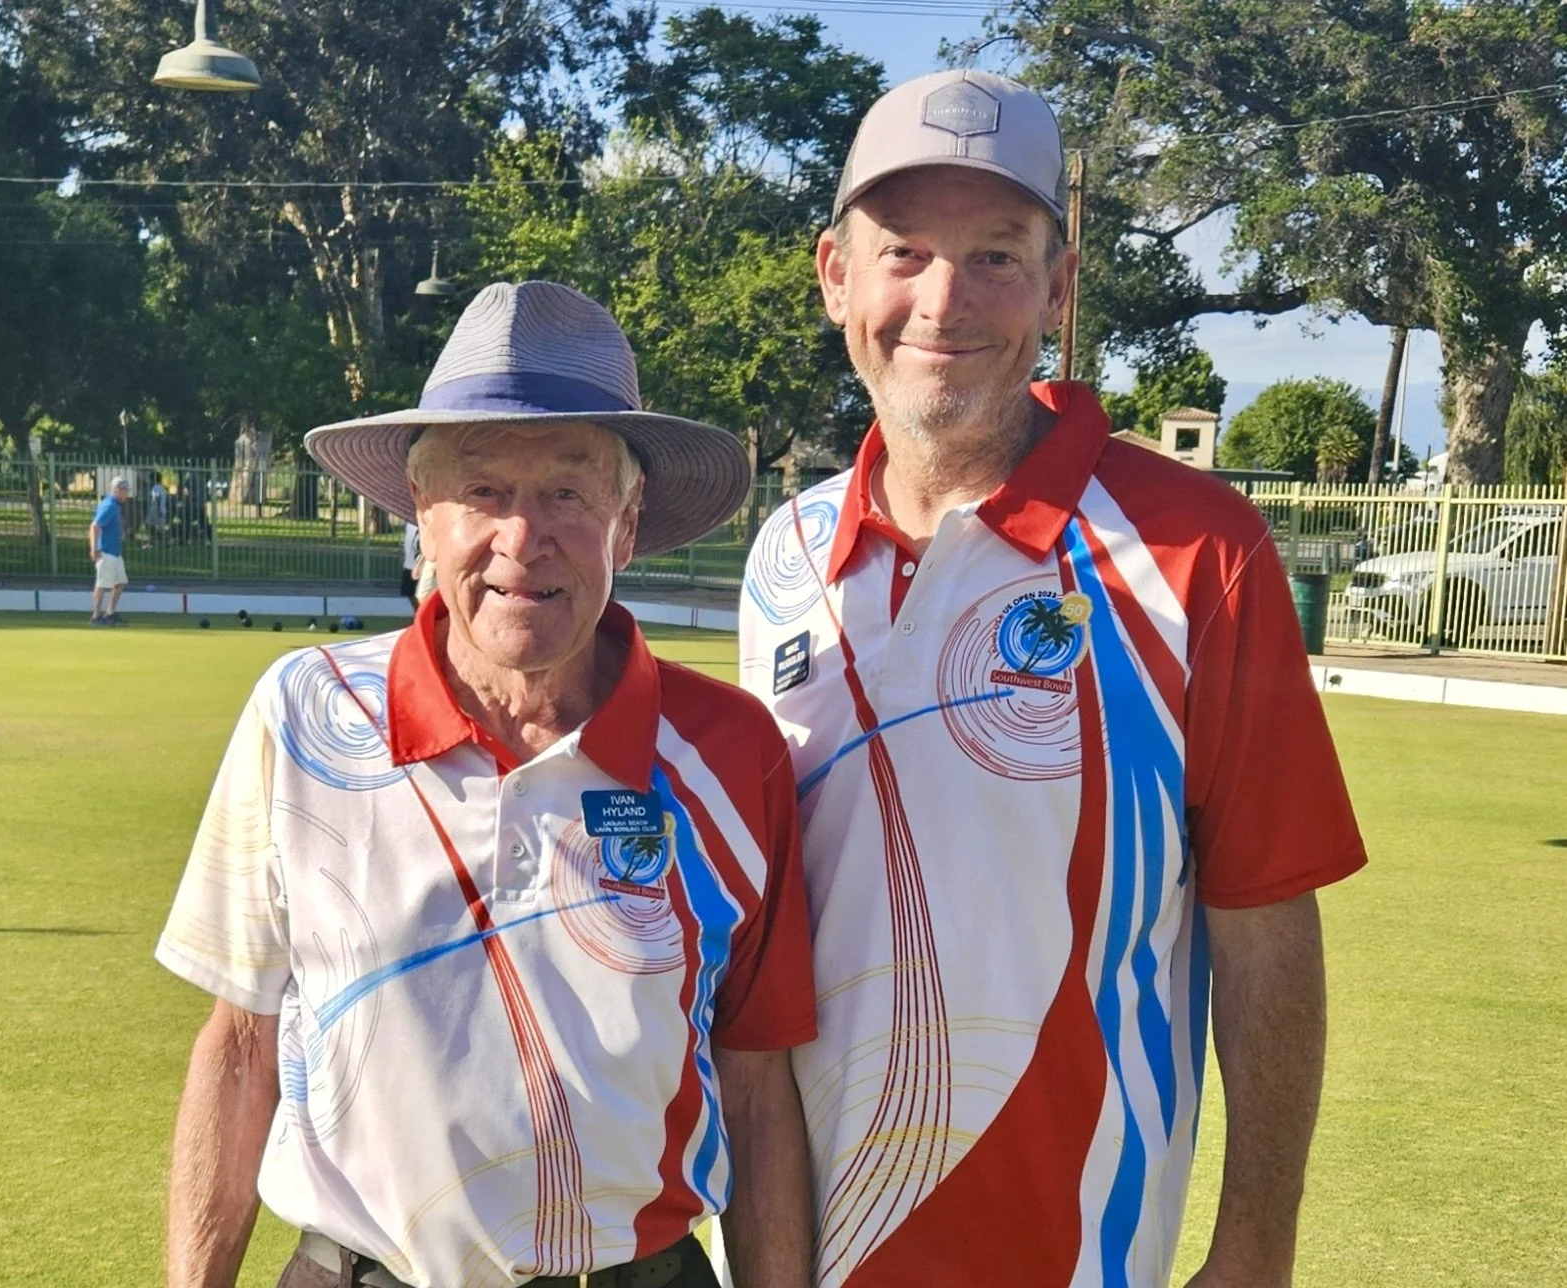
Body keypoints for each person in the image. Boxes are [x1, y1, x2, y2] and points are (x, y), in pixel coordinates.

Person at [738, 70, 1367, 1288]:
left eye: (994, 257)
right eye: (904, 253)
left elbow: (1265, 924)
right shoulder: (783, 554)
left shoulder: (1199, 551)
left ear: (1059, 287)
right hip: (790, 1251)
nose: (942, 299)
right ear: (834, 276)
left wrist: (1256, 1244)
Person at [159, 281, 817, 1288]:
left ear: (627, 520)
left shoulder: (730, 750)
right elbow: (242, 1048)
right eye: (481, 490)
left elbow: (757, 1082)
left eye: (567, 490)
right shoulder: (303, 714)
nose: (522, 536)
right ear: (420, 513)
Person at [89, 475, 131, 626]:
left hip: (115, 552)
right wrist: (94, 549)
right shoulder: (109, 506)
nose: (128, 493)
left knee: (120, 582)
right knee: (102, 584)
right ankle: (95, 615)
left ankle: (110, 612)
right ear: (117, 490)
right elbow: (95, 526)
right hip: (106, 552)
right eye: (126, 490)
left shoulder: (114, 506)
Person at [401, 519, 422, 608]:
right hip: (409, 564)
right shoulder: (410, 523)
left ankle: (422, 616)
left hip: (420, 565)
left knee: (421, 594)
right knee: (408, 593)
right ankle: (418, 615)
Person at [148, 472, 170, 544]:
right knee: (152, 525)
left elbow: (157, 498)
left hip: (157, 509)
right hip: (159, 509)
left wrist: (158, 510)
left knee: (157, 527)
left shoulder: (156, 487)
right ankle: (156, 539)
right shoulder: (161, 487)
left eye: (151, 479)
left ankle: (165, 540)